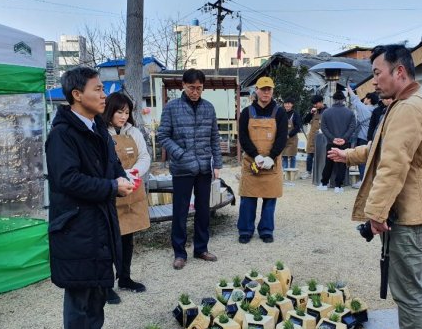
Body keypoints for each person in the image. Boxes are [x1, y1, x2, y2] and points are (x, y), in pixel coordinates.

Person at [328, 45, 422, 329]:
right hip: (406, 213)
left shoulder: (408, 109)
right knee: (403, 284)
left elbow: (393, 165)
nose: (374, 81)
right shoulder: (405, 104)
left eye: (378, 73)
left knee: (408, 290)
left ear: (399, 72)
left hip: (410, 216)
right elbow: (381, 147)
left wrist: (375, 214)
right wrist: (348, 154)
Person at [46, 67, 132, 329]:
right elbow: (67, 179)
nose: (103, 94)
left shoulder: (97, 128)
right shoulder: (62, 135)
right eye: (98, 89)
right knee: (79, 295)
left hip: (99, 220)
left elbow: (113, 163)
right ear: (77, 94)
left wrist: (123, 178)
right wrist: (111, 186)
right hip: (75, 226)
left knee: (97, 287)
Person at [157, 68, 222, 270]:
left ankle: (201, 248)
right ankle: (179, 252)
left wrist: (217, 163)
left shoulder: (209, 108)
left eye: (199, 88)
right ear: (183, 86)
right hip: (182, 168)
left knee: (203, 210)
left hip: (204, 167)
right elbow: (163, 136)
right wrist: (180, 154)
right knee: (180, 211)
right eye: (192, 87)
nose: (195, 91)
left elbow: (214, 138)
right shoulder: (171, 107)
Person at [102, 92, 151, 304]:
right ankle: (106, 285)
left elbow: (144, 156)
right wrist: (119, 178)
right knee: (109, 241)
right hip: (112, 191)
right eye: (119, 112)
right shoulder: (102, 132)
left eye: (127, 112)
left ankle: (125, 277)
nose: (123, 116)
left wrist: (134, 172)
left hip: (133, 188)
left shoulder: (134, 132)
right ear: (110, 111)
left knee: (128, 238)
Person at [237, 76, 287, 243]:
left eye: (269, 89)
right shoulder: (246, 112)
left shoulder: (279, 112)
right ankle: (245, 230)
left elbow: (282, 138)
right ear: (256, 90)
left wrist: (271, 157)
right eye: (263, 89)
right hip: (252, 161)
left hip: (271, 164)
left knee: (270, 199)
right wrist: (255, 155)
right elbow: (243, 137)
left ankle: (266, 230)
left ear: (272, 91)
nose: (266, 92)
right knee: (248, 199)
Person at [317, 90, 356, 193]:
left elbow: (323, 127)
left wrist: (332, 138)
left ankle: (324, 183)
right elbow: (352, 126)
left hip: (331, 142)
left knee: (328, 163)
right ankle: (338, 186)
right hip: (345, 142)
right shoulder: (350, 112)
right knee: (342, 164)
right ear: (343, 100)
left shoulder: (326, 112)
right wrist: (344, 138)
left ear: (333, 99)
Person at [347, 86, 379, 187]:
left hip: (363, 137)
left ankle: (363, 181)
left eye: (365, 98)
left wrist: (348, 87)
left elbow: (355, 100)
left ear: (369, 99)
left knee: (362, 159)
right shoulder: (377, 110)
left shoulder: (364, 109)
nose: (364, 99)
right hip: (374, 137)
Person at [301, 95, 326, 179]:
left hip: (323, 137)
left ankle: (321, 172)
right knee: (309, 155)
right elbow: (305, 121)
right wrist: (310, 113)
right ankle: (308, 172)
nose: (315, 105)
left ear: (321, 101)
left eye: (316, 103)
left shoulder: (327, 111)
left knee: (321, 156)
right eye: (314, 104)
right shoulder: (313, 111)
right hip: (312, 136)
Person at [281, 98, 302, 169]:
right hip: (283, 138)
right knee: (284, 155)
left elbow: (298, 127)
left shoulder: (295, 114)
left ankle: (292, 171)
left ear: (292, 105)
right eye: (285, 103)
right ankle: (285, 171)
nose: (287, 105)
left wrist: (289, 134)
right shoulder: (281, 113)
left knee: (292, 155)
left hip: (292, 138)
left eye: (289, 103)